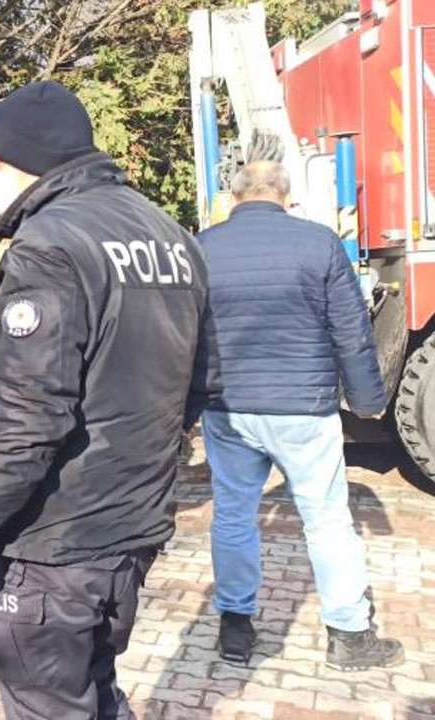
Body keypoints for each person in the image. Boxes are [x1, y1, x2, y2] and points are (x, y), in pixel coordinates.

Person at [0, 80, 218, 719]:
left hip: (51, 544)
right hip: (132, 530)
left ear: (7, 163)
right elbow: (200, 383)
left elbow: (26, 413)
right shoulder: (170, 235)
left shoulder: (47, 246)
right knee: (97, 691)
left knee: (51, 706)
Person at [197, 159, 403, 670]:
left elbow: (187, 336)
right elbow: (349, 330)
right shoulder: (319, 243)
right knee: (328, 519)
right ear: (285, 197)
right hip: (304, 409)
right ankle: (349, 636)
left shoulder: (203, 248)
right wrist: (368, 400)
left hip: (229, 409)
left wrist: (182, 407)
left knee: (233, 516)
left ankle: (236, 631)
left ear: (235, 196)